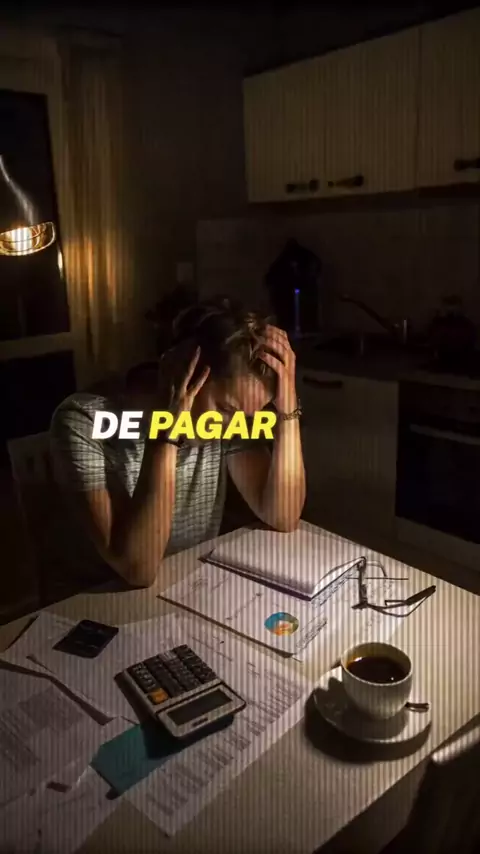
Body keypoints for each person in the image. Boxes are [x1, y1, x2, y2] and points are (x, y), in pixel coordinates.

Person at [50, 294, 306, 589]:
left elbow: (283, 515)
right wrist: (167, 430)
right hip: (97, 602)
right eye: (226, 409)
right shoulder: (84, 421)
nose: (234, 426)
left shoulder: (230, 423)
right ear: (185, 371)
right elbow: (139, 568)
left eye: (248, 416)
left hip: (185, 586)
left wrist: (288, 411)